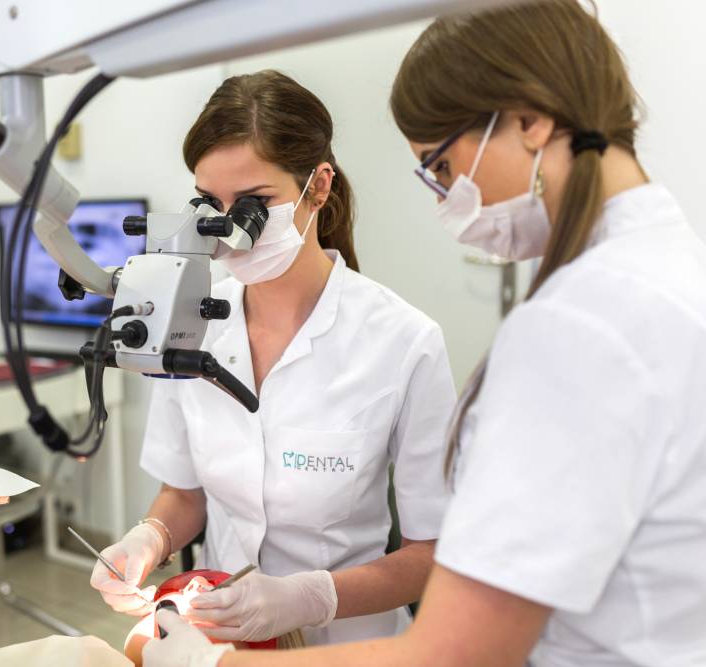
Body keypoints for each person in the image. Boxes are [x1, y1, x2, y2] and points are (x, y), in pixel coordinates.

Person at [141, 1, 706, 665]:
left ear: (529, 122)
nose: (445, 197)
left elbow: (453, 648)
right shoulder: (665, 270)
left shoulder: (575, 326)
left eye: (440, 166)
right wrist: (150, 541)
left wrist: (214, 662)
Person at [90, 70, 458, 647]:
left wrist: (312, 598)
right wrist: (149, 538)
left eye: (255, 204)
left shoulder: (404, 343)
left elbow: (431, 556)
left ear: (319, 186)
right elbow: (184, 494)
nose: (229, 230)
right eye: (210, 204)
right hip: (215, 639)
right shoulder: (187, 323)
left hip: (346, 646)